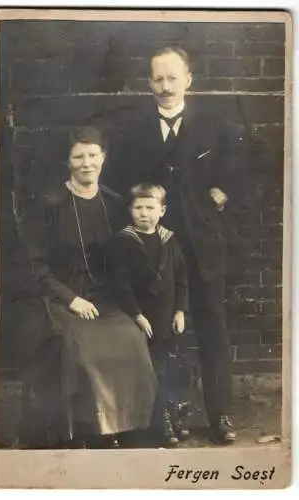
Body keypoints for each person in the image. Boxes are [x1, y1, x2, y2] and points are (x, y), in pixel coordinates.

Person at [105, 46, 253, 445]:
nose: (165, 87)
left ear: (189, 79)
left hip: (203, 247)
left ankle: (221, 413)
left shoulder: (215, 125)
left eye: (173, 78)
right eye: (158, 79)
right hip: (156, 251)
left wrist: (220, 195)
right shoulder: (134, 132)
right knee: (163, 336)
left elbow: (242, 167)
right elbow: (119, 183)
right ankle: (166, 417)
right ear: (149, 82)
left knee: (212, 329)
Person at [20, 126, 157, 449]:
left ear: (103, 158)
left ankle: (125, 428)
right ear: (68, 162)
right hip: (63, 297)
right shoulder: (50, 205)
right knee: (82, 345)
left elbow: (127, 255)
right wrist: (70, 299)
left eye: (92, 155)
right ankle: (89, 430)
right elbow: (36, 266)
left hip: (106, 298)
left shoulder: (114, 203)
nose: (86, 163)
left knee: (132, 339)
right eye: (78, 156)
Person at [108, 183, 189, 447]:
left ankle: (170, 414)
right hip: (140, 317)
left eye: (150, 208)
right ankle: (158, 423)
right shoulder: (124, 241)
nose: (144, 213)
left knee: (167, 366)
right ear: (130, 210)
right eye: (138, 207)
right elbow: (120, 283)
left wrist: (180, 310)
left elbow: (181, 278)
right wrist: (137, 314)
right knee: (148, 368)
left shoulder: (169, 239)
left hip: (166, 316)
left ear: (162, 210)